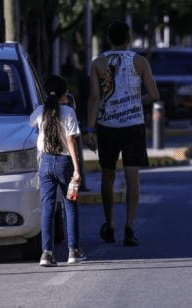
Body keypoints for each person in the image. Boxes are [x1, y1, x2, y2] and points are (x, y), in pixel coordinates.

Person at [85, 21, 159, 247]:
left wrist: (89, 129)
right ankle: (129, 227)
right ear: (129, 39)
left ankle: (110, 225)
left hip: (107, 126)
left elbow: (95, 98)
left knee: (108, 175)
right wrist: (137, 102)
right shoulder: (140, 62)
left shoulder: (98, 63)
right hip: (133, 125)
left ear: (109, 39)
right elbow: (154, 95)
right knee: (132, 177)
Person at [31, 75, 84, 266]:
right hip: (64, 163)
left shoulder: (40, 111)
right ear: (65, 94)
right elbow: (71, 141)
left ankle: (46, 253)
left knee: (48, 207)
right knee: (69, 204)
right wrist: (77, 170)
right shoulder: (69, 112)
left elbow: (32, 124)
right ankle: (73, 251)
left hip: (44, 163)